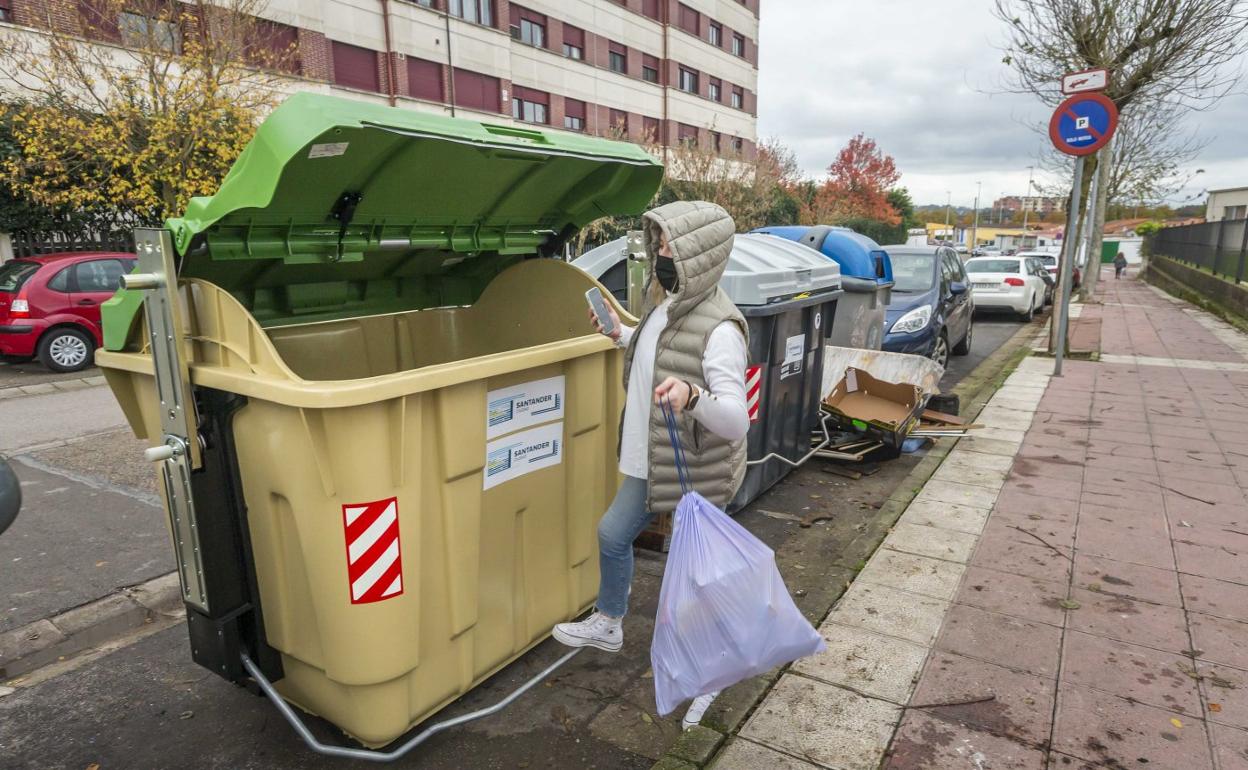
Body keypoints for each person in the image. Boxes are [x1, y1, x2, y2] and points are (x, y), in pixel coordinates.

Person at [552, 200, 750, 727]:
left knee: (697, 586)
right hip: (650, 459)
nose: (658, 254)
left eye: (667, 246)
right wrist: (618, 335)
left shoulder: (721, 329)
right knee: (614, 535)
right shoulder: (666, 304)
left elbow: (736, 421)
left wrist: (693, 395)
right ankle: (611, 620)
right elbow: (654, 355)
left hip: (695, 469)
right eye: (658, 244)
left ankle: (712, 677)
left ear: (695, 254)